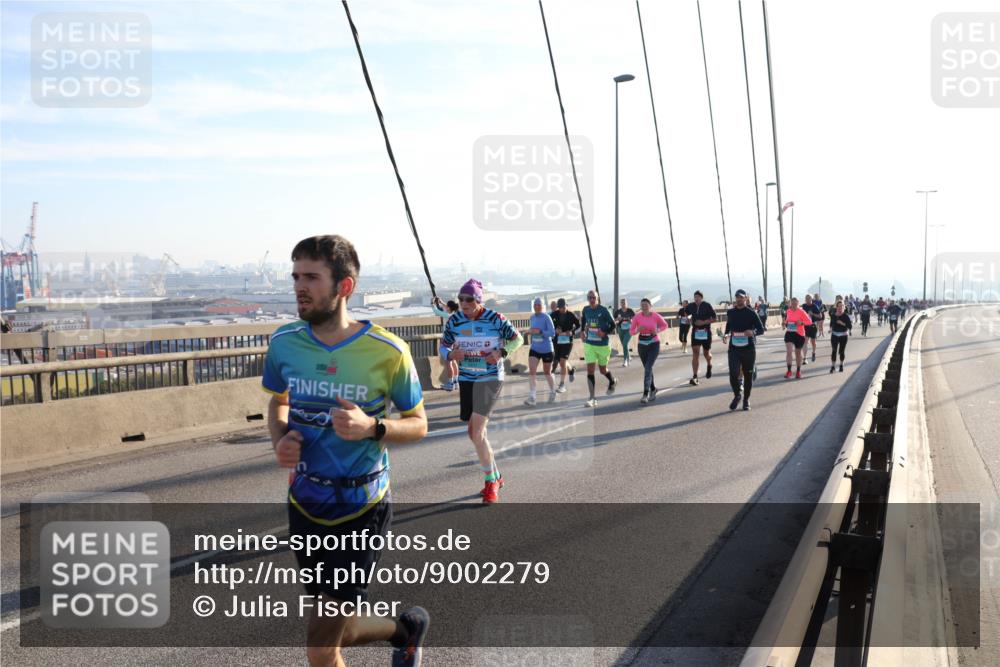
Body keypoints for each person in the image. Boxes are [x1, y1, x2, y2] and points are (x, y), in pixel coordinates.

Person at [263, 235, 430, 667]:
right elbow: (278, 401)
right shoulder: (284, 343)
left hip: (360, 506)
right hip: (304, 503)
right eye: (296, 275)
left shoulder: (389, 352)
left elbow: (418, 423)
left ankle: (406, 631)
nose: (299, 286)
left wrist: (372, 427)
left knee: (321, 649)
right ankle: (406, 630)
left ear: (344, 287)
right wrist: (280, 436)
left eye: (312, 277)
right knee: (340, 629)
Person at [440, 279, 523, 503]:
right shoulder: (454, 320)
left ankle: (490, 482)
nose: (463, 303)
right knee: (474, 433)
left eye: (468, 299)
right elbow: (444, 345)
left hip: (490, 377)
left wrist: (501, 352)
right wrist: (449, 355)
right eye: (460, 299)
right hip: (467, 378)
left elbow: (518, 339)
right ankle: (497, 475)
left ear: (478, 300)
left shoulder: (496, 319)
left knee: (476, 432)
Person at [723, 289, 765, 411]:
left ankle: (746, 400)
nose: (739, 299)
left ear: (745, 299)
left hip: (748, 349)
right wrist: (726, 335)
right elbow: (728, 327)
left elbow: (761, 329)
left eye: (741, 297)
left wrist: (752, 332)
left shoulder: (751, 313)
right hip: (734, 348)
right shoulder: (731, 312)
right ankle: (737, 395)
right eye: (737, 297)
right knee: (733, 374)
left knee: (748, 375)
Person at [580, 290, 617, 407]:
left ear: (597, 298)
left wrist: (604, 332)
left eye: (594, 298)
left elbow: (613, 324)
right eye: (589, 298)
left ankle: (612, 381)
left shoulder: (604, 310)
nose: (591, 300)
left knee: (602, 370)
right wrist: (582, 331)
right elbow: (583, 321)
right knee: (590, 370)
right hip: (589, 344)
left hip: (603, 345)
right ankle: (592, 398)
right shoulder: (586, 310)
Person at [629, 298, 668, 404]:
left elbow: (665, 325)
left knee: (648, 368)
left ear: (650, 306)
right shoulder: (637, 317)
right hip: (642, 344)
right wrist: (637, 330)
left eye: (646, 305)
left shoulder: (655, 316)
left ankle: (645, 394)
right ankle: (653, 388)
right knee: (648, 368)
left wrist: (657, 330)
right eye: (642, 305)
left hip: (654, 343)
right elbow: (631, 332)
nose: (644, 307)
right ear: (640, 307)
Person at [524, 297, 556, 406]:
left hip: (547, 349)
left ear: (543, 307)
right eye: (535, 305)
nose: (537, 307)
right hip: (535, 348)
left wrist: (541, 331)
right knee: (532, 371)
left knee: (547, 372)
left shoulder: (547, 317)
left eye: (539, 305)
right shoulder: (532, 317)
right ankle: (532, 397)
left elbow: (552, 333)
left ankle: (552, 391)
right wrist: (529, 332)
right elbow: (533, 330)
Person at [685, 290, 717, 386]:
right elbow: (686, 313)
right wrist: (689, 320)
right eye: (695, 297)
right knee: (695, 353)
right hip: (695, 332)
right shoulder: (691, 306)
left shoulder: (707, 305)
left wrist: (703, 322)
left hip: (706, 332)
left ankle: (709, 364)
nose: (696, 299)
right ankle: (695, 376)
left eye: (698, 297)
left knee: (706, 353)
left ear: (701, 298)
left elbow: (715, 319)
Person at [551, 297, 579, 392]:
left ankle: (562, 385)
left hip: (568, 342)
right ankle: (571, 370)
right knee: (561, 361)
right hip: (557, 342)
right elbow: (548, 326)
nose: (561, 309)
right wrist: (554, 330)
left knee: (562, 362)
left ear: (567, 306)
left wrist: (572, 332)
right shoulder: (554, 315)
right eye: (560, 307)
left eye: (563, 307)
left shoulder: (571, 315)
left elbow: (579, 326)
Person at [431, 296, 459, 391]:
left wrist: (432, 303)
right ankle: (456, 382)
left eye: (447, 306)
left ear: (449, 308)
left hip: (447, 341)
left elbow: (437, 312)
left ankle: (450, 383)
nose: (445, 307)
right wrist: (442, 302)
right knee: (453, 361)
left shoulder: (448, 316)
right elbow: (446, 308)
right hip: (454, 340)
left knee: (448, 362)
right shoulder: (455, 315)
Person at [782, 296, 813, 379]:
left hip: (799, 334)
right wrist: (785, 323)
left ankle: (798, 371)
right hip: (789, 333)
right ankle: (789, 371)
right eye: (792, 304)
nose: (794, 305)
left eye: (795, 304)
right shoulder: (788, 311)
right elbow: (786, 320)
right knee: (789, 351)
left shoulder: (801, 311)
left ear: (798, 304)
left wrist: (801, 323)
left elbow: (809, 322)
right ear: (790, 304)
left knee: (797, 353)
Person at [828, 300, 852, 373]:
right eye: (839, 306)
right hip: (835, 334)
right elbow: (831, 324)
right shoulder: (833, 315)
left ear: (844, 308)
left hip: (843, 335)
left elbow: (850, 326)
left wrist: (842, 323)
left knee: (841, 351)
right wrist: (831, 329)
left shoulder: (846, 316)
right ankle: (833, 366)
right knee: (834, 350)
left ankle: (841, 365)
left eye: (842, 306)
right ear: (836, 307)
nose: (840, 308)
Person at [614, 298, 636, 368]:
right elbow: (615, 320)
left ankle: (625, 360)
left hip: (629, 329)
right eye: (622, 303)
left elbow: (635, 321)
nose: (623, 304)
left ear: (627, 303)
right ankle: (628, 356)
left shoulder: (630, 311)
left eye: (624, 303)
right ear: (620, 304)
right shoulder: (618, 312)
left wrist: (631, 321)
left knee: (625, 343)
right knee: (624, 345)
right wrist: (618, 319)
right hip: (621, 329)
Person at [802, 294, 822, 364]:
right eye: (806, 298)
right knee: (805, 342)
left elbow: (820, 316)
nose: (807, 300)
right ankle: (804, 358)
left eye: (808, 298)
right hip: (805, 326)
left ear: (811, 299)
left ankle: (813, 352)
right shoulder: (803, 306)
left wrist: (812, 314)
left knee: (813, 342)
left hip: (813, 326)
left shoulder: (814, 306)